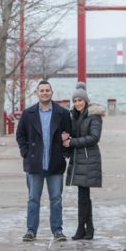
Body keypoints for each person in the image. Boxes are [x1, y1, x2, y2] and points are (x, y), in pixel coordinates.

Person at [16, 79, 72, 242]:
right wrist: (26, 153)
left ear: (52, 93)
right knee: (33, 199)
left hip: (55, 162)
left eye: (47, 90)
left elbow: (68, 134)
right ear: (37, 93)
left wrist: (64, 153)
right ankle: (31, 230)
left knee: (56, 199)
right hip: (34, 163)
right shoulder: (28, 114)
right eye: (42, 90)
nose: (45, 93)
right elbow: (20, 135)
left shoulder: (62, 113)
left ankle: (57, 230)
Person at [62, 82, 104, 240]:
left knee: (83, 194)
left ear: (86, 101)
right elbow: (70, 135)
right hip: (78, 158)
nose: (78, 103)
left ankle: (85, 228)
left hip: (89, 158)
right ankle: (86, 227)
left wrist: (71, 142)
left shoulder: (94, 116)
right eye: (75, 101)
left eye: (80, 100)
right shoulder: (74, 116)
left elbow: (94, 137)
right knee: (82, 195)